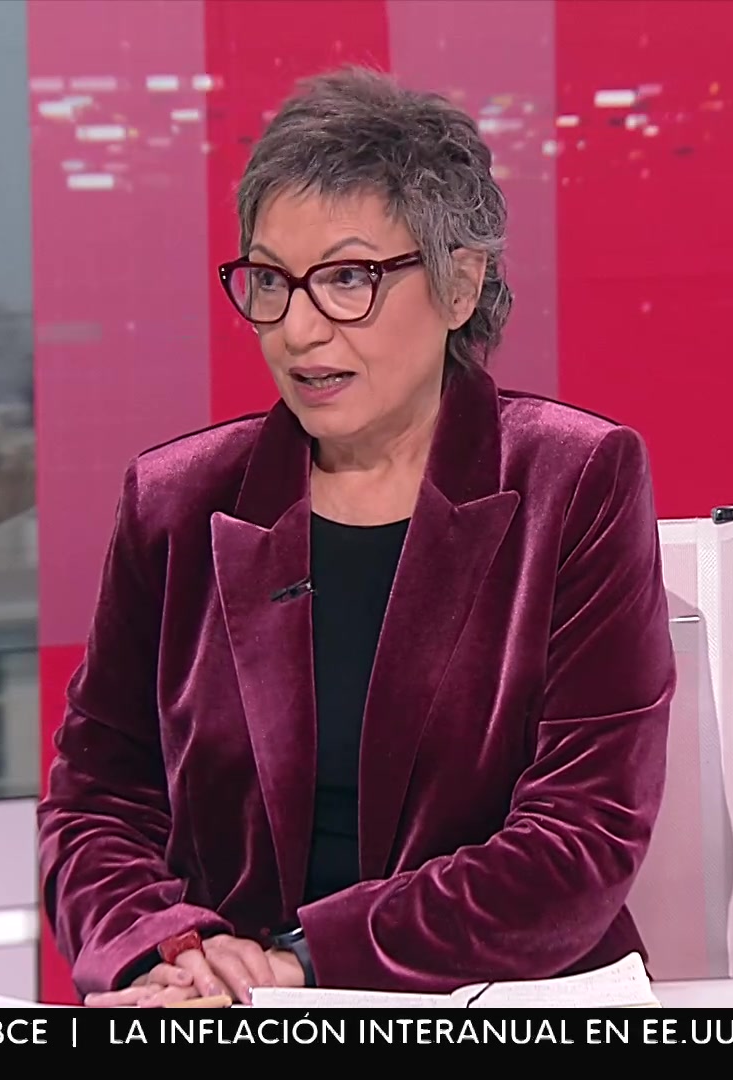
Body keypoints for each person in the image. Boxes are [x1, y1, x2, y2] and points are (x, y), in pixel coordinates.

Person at [37, 65, 675, 1007]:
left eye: (347, 279)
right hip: (226, 1003)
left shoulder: (574, 480)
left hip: (497, 997)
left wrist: (302, 963)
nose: (298, 330)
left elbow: (581, 836)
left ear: (461, 284)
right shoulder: (175, 503)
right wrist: (170, 948)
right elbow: (95, 802)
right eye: (271, 281)